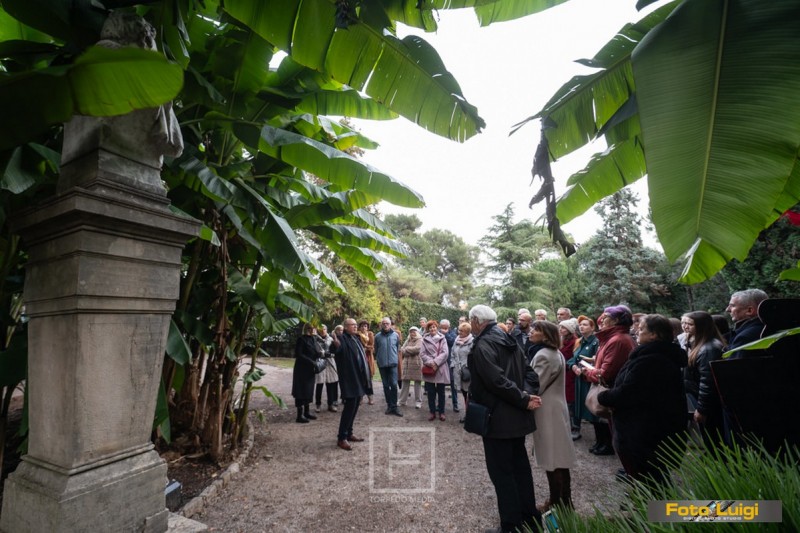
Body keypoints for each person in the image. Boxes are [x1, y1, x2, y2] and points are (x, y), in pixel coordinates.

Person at [468, 305, 543, 533]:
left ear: (476, 321)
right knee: (520, 470)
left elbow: (496, 381)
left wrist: (524, 398)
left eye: (471, 321)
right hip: (515, 418)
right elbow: (530, 375)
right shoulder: (509, 339)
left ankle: (511, 526)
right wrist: (526, 396)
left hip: (498, 420)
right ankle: (530, 520)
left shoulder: (484, 343)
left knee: (503, 474)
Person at [597, 314, 687, 486]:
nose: (636, 330)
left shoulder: (651, 361)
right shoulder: (654, 356)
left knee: (649, 479)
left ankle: (648, 502)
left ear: (654, 334)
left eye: (641, 328)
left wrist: (603, 396)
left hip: (644, 431)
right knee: (649, 475)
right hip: (648, 428)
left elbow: (629, 392)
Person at [529, 320, 576, 512]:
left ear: (546, 335)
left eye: (535, 329)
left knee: (553, 459)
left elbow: (535, 386)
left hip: (548, 412)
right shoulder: (555, 353)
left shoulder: (544, 355)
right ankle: (564, 501)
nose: (531, 332)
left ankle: (558, 503)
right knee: (559, 458)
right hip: (555, 409)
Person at [577, 305, 636, 456]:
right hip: (614, 392)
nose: (601, 320)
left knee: (621, 436)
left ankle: (628, 465)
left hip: (615, 393)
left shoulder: (617, 340)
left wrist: (586, 372)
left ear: (616, 320)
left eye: (606, 317)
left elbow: (605, 374)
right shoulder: (612, 338)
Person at [682, 311, 726, 449]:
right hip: (697, 397)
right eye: (684, 323)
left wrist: (702, 409)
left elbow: (708, 382)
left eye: (690, 324)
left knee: (714, 437)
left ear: (701, 326)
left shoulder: (708, 348)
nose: (685, 327)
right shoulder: (695, 343)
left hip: (709, 403)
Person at [330, 318, 373, 450]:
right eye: (352, 325)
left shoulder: (356, 338)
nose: (355, 327)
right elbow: (336, 349)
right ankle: (341, 438)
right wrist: (335, 344)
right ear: (345, 327)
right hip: (349, 378)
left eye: (355, 325)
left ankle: (349, 433)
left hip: (359, 377)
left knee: (355, 405)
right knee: (350, 406)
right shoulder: (341, 338)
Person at [567, 316, 602, 451]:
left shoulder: (596, 342)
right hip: (579, 379)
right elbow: (573, 359)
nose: (581, 327)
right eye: (580, 325)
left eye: (585, 325)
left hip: (589, 379)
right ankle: (577, 429)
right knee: (578, 404)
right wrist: (573, 366)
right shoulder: (579, 341)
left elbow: (598, 361)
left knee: (592, 407)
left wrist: (584, 368)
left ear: (592, 328)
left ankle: (601, 440)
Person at [292, 323, 323, 423]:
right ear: (307, 329)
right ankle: (299, 415)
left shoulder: (313, 339)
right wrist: (311, 361)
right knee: (300, 390)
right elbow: (299, 354)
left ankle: (306, 412)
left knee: (309, 390)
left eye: (314, 328)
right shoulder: (301, 339)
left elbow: (315, 351)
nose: (314, 330)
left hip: (310, 369)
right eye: (312, 328)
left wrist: (320, 354)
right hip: (301, 369)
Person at [725, 289, 768, 358]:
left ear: (750, 310)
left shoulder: (744, 338)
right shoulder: (777, 329)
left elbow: (734, 364)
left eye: (732, 306)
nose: (727, 309)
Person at [421, 320, 450, 421]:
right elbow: (422, 354)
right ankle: (432, 412)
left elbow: (445, 353)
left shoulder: (443, 338)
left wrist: (436, 363)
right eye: (430, 327)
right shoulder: (424, 340)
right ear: (428, 329)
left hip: (440, 367)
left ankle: (442, 412)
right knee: (430, 393)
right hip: (430, 368)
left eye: (434, 327)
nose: (432, 329)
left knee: (441, 392)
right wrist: (431, 363)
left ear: (437, 328)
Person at [374, 317, 402, 416]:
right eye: (384, 323)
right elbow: (376, 349)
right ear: (381, 325)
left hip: (393, 364)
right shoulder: (377, 336)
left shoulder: (396, 335)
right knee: (386, 385)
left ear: (390, 324)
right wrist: (379, 359)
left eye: (387, 323)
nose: (385, 325)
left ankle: (394, 406)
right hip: (382, 364)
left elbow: (397, 348)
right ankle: (389, 405)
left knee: (394, 384)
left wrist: (394, 358)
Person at [558, 318, 580, 440]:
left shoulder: (575, 341)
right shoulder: (561, 340)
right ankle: (567, 427)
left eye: (564, 327)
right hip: (563, 375)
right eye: (560, 327)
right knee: (566, 402)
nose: (561, 329)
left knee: (572, 402)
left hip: (571, 375)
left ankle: (575, 428)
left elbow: (574, 358)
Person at [450, 321, 474, 423]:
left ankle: (471, 415)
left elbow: (473, 357)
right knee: (464, 394)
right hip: (457, 371)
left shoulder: (472, 342)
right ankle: (466, 414)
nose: (459, 332)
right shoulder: (456, 340)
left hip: (468, 372)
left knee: (470, 394)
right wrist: (453, 364)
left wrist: (467, 367)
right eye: (459, 330)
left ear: (467, 332)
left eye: (462, 331)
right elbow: (452, 353)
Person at [314, 325, 339, 413]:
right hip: (320, 362)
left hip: (330, 363)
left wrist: (329, 354)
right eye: (321, 329)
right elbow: (315, 351)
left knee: (330, 384)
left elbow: (335, 351)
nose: (323, 330)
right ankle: (318, 405)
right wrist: (322, 354)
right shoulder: (315, 339)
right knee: (319, 384)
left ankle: (331, 404)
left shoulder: (331, 339)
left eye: (324, 329)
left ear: (326, 330)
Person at [399, 327, 424, 409]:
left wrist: (407, 349)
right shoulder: (408, 340)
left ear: (417, 332)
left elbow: (417, 349)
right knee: (405, 382)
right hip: (407, 364)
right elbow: (402, 350)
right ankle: (402, 401)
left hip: (416, 364)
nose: (412, 333)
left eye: (414, 332)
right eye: (411, 332)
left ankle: (418, 402)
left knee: (417, 383)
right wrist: (407, 350)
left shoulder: (420, 340)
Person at [440, 319, 460, 413]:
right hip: (441, 363)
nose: (443, 328)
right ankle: (440, 405)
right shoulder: (438, 333)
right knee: (440, 385)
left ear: (449, 326)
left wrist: (446, 334)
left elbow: (452, 342)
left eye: (445, 327)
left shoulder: (453, 333)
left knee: (453, 385)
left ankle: (455, 404)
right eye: (442, 327)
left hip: (451, 362)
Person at [357, 320, 376, 405]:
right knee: (360, 378)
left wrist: (365, 347)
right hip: (359, 359)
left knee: (368, 379)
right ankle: (360, 398)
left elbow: (372, 347)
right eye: (362, 326)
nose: (363, 328)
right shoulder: (357, 335)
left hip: (368, 358)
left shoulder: (370, 334)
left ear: (367, 327)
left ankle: (370, 397)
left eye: (365, 326)